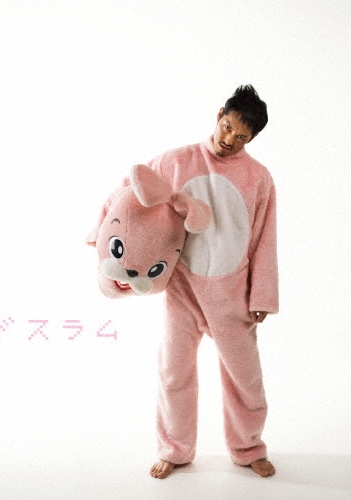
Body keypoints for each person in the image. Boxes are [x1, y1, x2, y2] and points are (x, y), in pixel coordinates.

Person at [146, 84, 278, 478]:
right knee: (174, 372)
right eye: (227, 127)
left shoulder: (258, 178)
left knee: (245, 379)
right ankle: (174, 449)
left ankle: (248, 447)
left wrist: (262, 295)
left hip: (232, 295)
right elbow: (133, 192)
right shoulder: (175, 161)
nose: (229, 140)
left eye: (242, 137)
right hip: (182, 289)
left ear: (252, 139)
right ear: (219, 114)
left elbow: (264, 238)